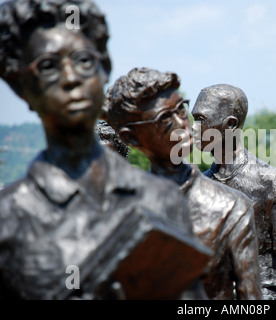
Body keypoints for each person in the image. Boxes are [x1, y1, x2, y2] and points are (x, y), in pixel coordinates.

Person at [0, 0, 208, 299]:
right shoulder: (8, 217)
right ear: (21, 86)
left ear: (104, 68)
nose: (71, 78)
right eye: (48, 66)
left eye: (83, 61)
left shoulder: (161, 200)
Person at [103, 67, 263, 300]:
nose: (183, 124)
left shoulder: (232, 208)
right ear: (131, 138)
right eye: (165, 118)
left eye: (181, 109)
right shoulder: (115, 208)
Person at [191, 84, 276, 300]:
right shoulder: (200, 183)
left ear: (230, 124)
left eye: (200, 119)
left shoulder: (269, 181)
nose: (193, 127)